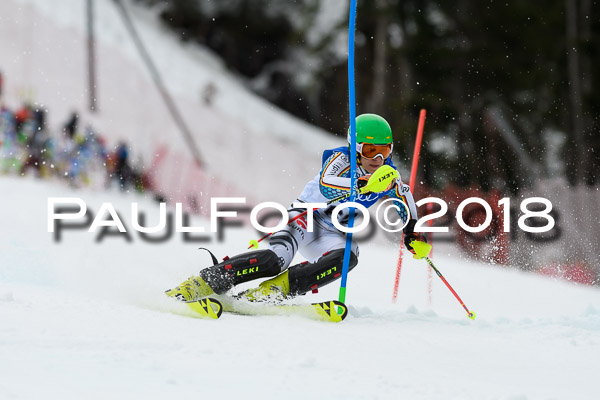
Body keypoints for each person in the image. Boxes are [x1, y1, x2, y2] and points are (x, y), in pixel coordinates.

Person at [166, 113, 427, 302]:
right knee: (274, 259)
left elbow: (405, 199)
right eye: (371, 150)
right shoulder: (341, 159)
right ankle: (205, 281)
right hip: (304, 218)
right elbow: (327, 184)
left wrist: (412, 232)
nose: (378, 159)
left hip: (331, 232)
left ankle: (276, 291)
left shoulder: (387, 174)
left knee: (348, 256)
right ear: (356, 148)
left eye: (385, 150)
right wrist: (360, 184)